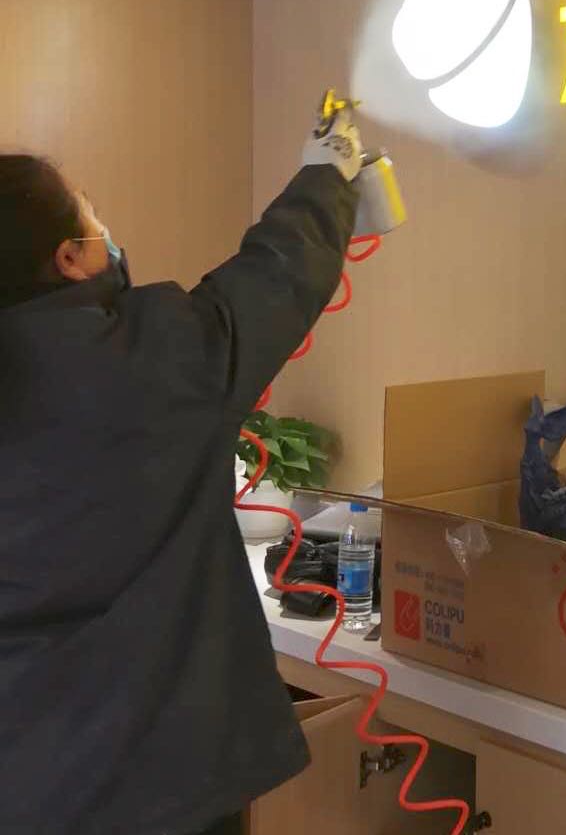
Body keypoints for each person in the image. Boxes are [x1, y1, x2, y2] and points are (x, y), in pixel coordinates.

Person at [0, 97, 367, 835]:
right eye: (91, 213)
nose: (105, 229)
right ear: (69, 258)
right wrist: (329, 174)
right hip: (163, 787)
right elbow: (271, 281)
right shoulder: (144, 363)